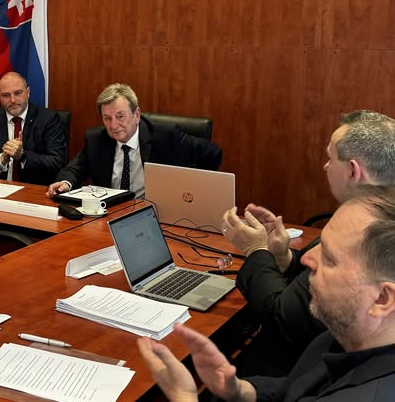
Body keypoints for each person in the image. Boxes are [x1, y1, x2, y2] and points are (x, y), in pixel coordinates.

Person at [138, 186, 395, 402]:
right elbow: (293, 387)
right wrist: (241, 391)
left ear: (382, 299)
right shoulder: (346, 335)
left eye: (329, 257)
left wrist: (183, 396)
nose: (305, 259)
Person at [220, 109, 395, 377]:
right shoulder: (374, 214)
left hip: (295, 373)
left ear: (352, 171)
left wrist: (254, 250)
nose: (325, 166)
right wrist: (283, 257)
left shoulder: (369, 232)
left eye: (330, 158)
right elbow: (307, 287)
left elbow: (283, 318)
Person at [46, 83, 222, 198]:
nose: (113, 125)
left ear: (136, 114)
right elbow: (74, 170)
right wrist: (65, 183)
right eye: (107, 118)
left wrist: (189, 188)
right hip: (110, 215)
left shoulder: (165, 136)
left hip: (155, 214)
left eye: (120, 116)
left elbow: (213, 154)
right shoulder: (96, 139)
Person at [0, 71, 66, 185]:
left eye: (18, 93)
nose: (13, 100)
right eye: (6, 95)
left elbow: (57, 162)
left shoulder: (48, 119)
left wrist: (22, 156)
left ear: (28, 92)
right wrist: (1, 159)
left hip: (32, 189)